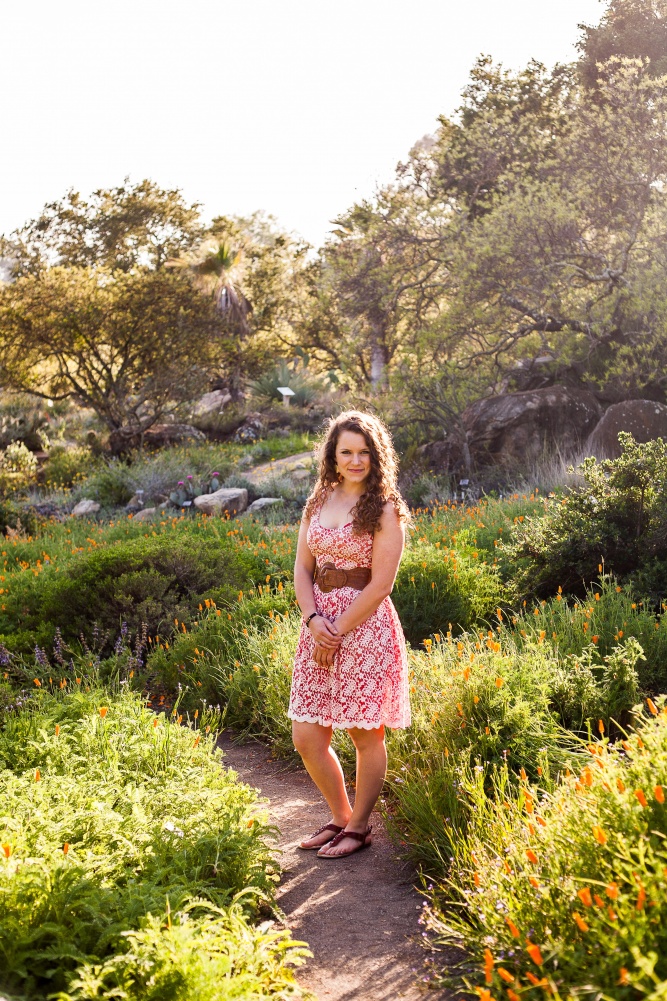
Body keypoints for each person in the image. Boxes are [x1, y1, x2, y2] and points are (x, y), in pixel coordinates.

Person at [288, 410, 410, 859]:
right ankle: (339, 816)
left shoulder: (385, 507)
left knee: (365, 734)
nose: (355, 460)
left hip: (365, 626)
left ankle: (358, 828)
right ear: (333, 457)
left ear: (376, 456)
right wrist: (314, 621)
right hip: (317, 624)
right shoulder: (318, 499)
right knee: (307, 737)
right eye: (347, 452)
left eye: (364, 452)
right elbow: (303, 567)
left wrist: (337, 630)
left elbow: (381, 584)